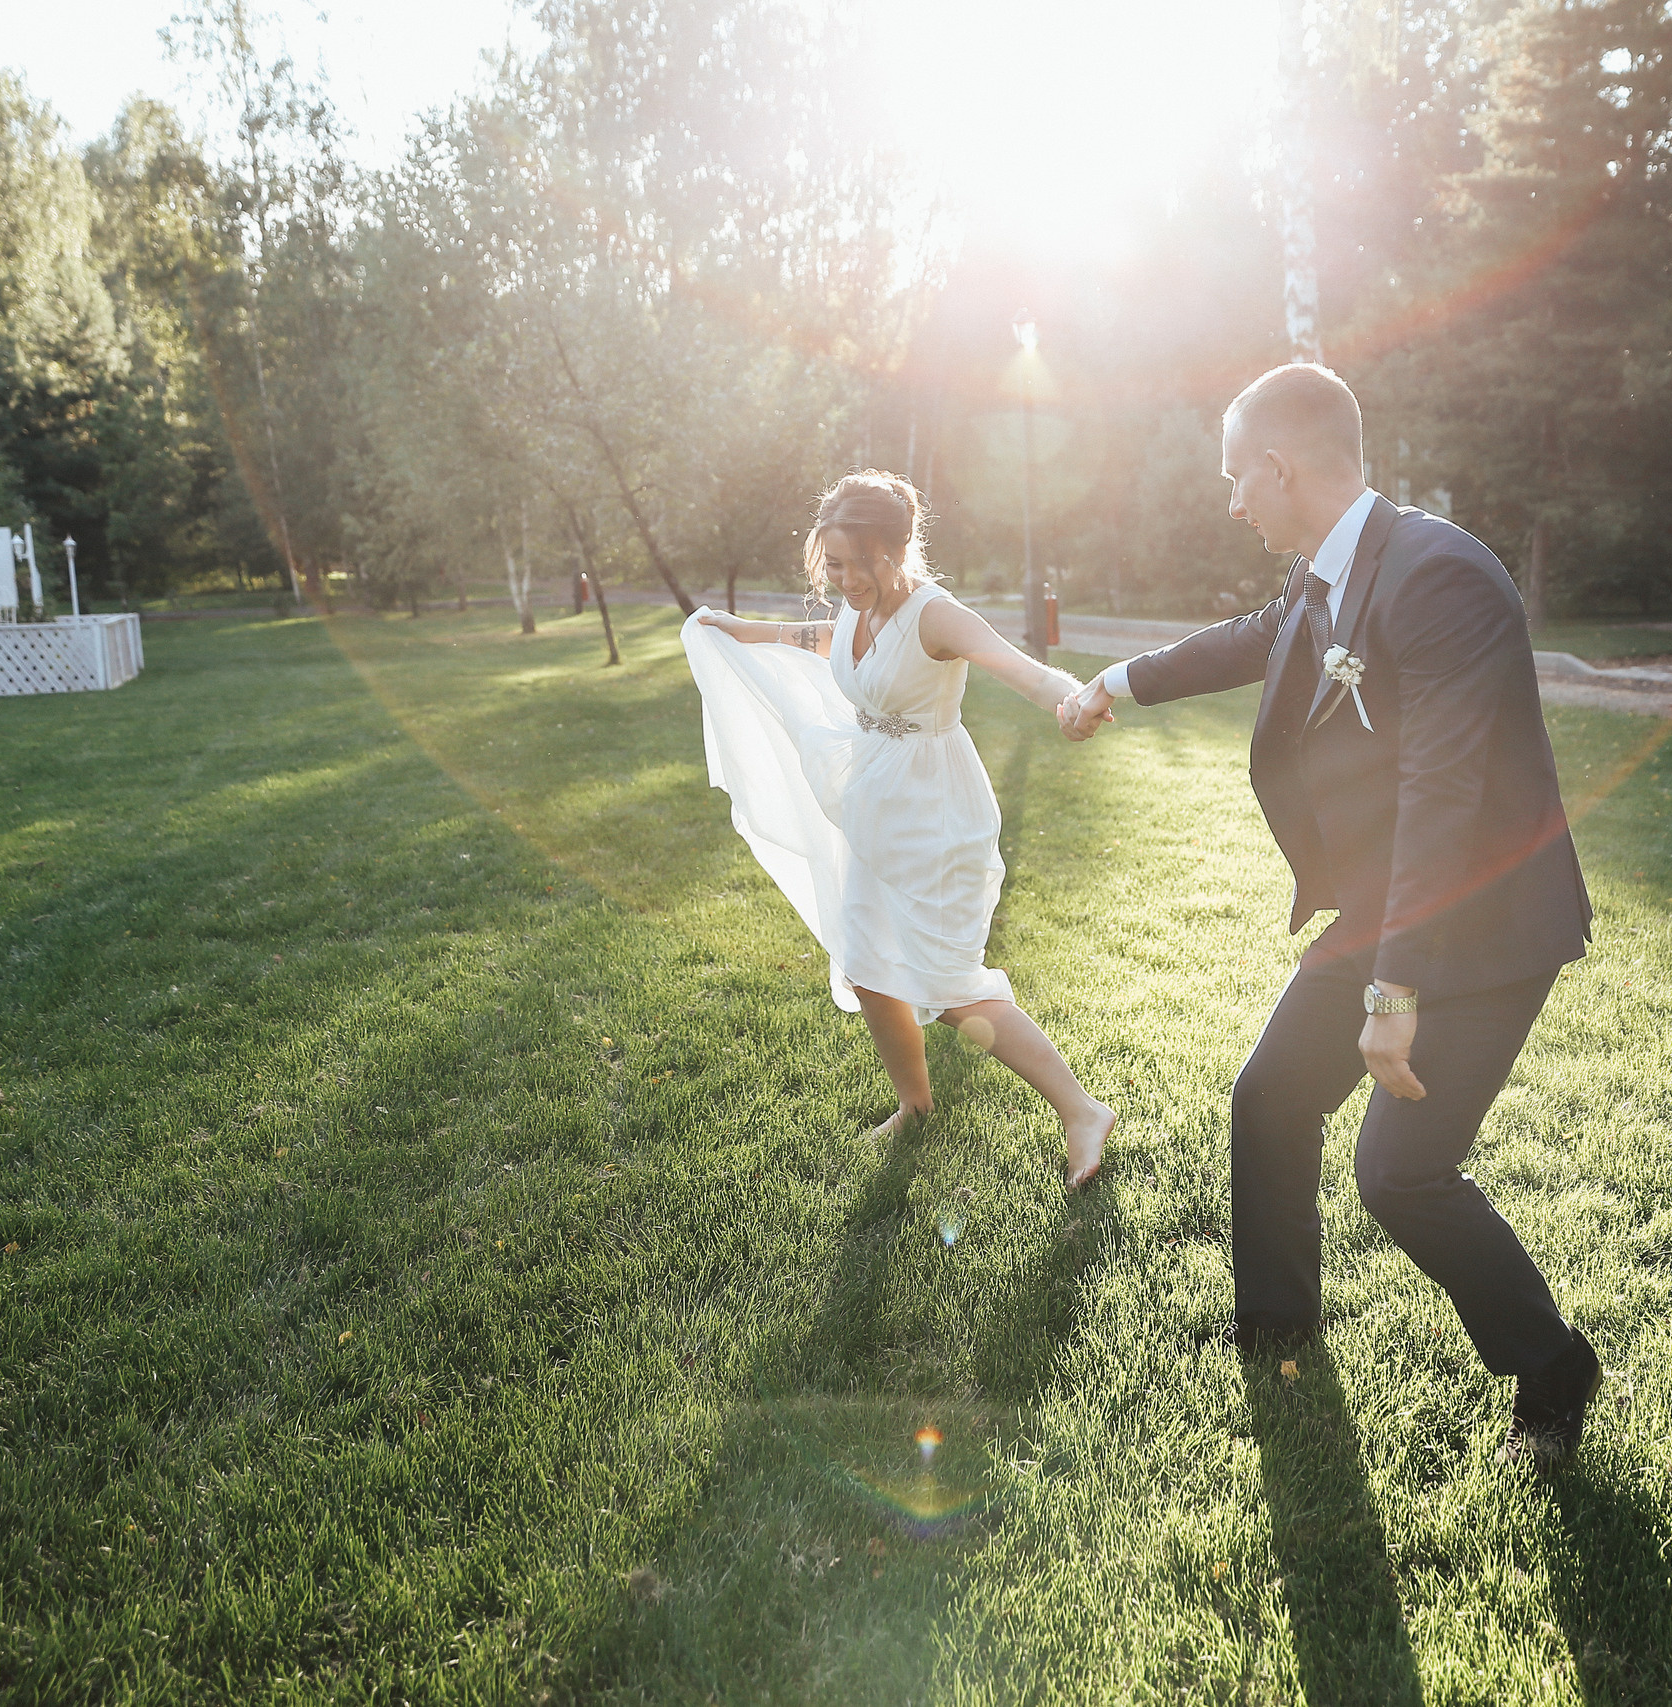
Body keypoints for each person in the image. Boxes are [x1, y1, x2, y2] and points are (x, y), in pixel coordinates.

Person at [1058, 365, 1601, 1467]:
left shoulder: (1438, 573)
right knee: (1269, 1098)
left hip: (1484, 922)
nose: (1229, 504)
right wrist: (1116, 680)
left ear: (1279, 465)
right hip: (1396, 897)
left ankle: (1552, 1369)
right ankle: (1276, 1334)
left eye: (1234, 481)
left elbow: (1441, 796)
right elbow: (1253, 636)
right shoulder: (1330, 568)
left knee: (1398, 1174)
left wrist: (1391, 992)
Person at [683, 471, 1115, 1188]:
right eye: (835, 563)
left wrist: (1075, 700)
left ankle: (1082, 1110)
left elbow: (1021, 668)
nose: (845, 578)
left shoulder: (933, 613)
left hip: (933, 812)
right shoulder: (859, 606)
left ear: (898, 546)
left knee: (947, 984)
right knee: (866, 959)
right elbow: (826, 636)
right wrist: (742, 630)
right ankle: (915, 1104)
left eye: (858, 562)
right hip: (874, 804)